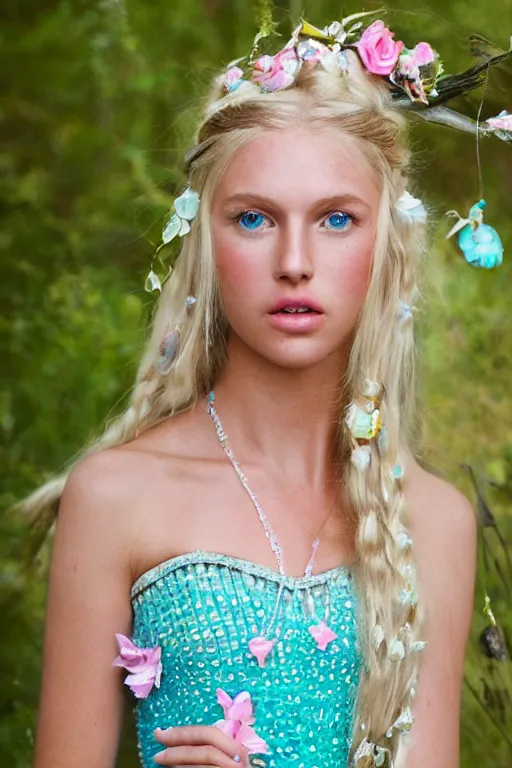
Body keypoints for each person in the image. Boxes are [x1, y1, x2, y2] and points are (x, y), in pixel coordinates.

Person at [26, 12, 505, 768]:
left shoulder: (434, 521)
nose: (294, 261)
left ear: (385, 244)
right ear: (207, 243)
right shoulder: (115, 496)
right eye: (253, 218)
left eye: (336, 219)